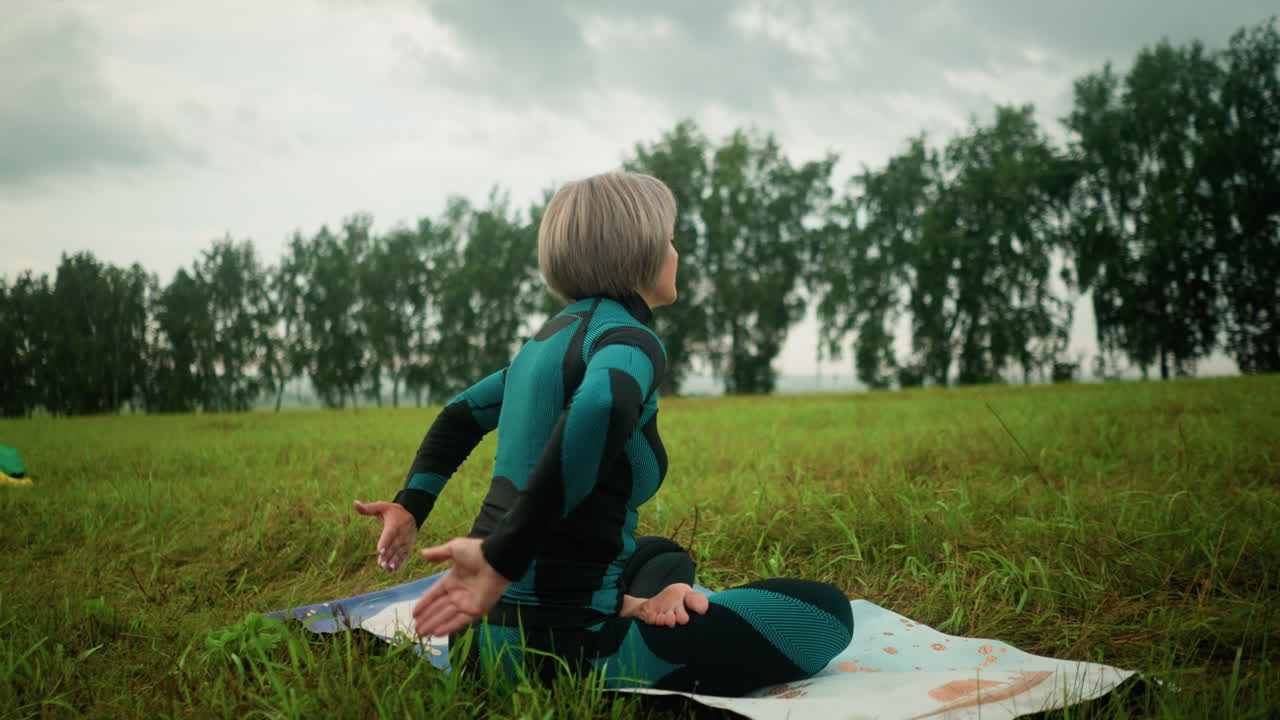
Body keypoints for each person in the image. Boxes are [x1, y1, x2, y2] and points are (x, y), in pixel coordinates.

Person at [355, 171, 853, 696]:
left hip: (472, 641)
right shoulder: (629, 339)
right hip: (566, 657)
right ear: (642, 250)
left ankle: (643, 601)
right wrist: (505, 557)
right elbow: (603, 404)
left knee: (659, 554)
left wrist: (411, 506)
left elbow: (459, 416)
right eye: (670, 239)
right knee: (826, 612)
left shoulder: (543, 344)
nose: (676, 253)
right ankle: (631, 621)